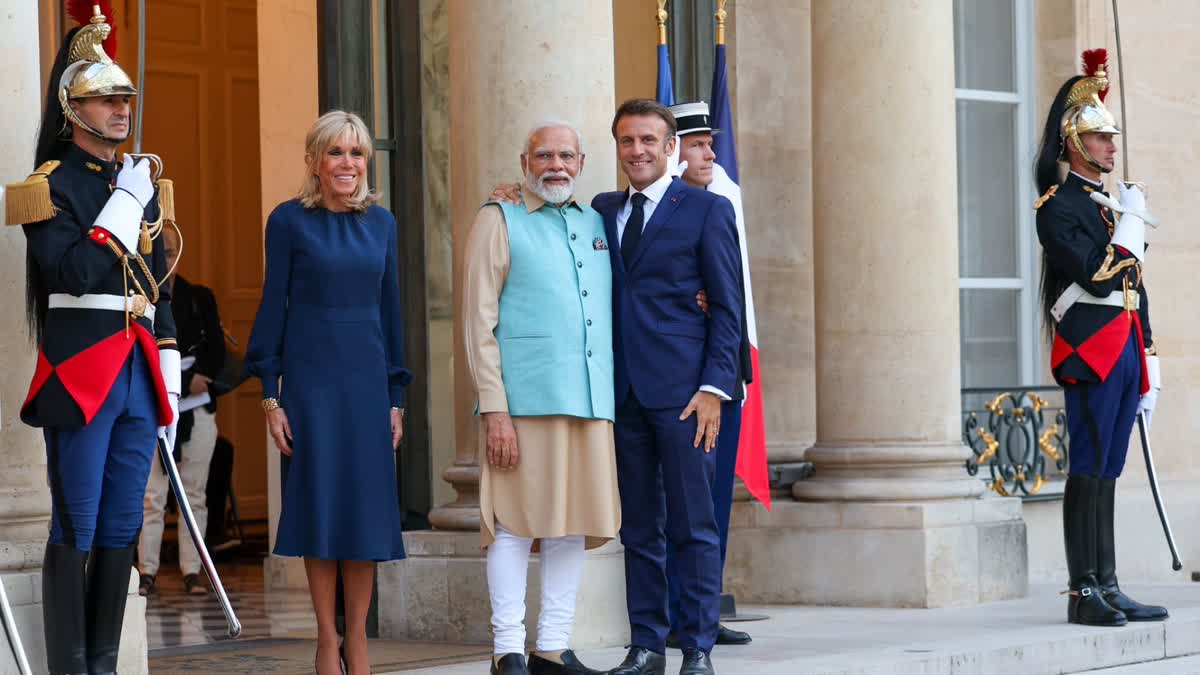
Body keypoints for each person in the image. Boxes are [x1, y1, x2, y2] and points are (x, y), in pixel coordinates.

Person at [4, 7, 180, 673]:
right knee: (75, 522)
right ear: (73, 107)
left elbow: (157, 283)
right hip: (82, 371)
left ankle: (104, 663)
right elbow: (73, 269)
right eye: (106, 98)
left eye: (124, 98)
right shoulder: (49, 186)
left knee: (121, 526)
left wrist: (166, 361)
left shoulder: (137, 180)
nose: (120, 108)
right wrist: (127, 204)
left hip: (135, 369)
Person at [245, 110, 411, 675]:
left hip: (367, 387)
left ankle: (358, 641)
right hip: (311, 387)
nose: (348, 163)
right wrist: (271, 396)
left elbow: (392, 315)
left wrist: (396, 397)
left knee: (363, 516)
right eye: (336, 153)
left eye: (357, 153)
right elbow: (273, 310)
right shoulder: (289, 221)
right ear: (315, 161)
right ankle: (324, 639)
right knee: (320, 511)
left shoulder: (382, 225)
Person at [464, 121, 620, 675]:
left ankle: (553, 645)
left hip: (591, 399)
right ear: (524, 162)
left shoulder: (599, 221)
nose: (556, 165)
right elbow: (477, 320)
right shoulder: (498, 218)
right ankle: (508, 648)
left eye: (566, 156)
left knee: (571, 522)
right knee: (512, 522)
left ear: (581, 162)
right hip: (522, 402)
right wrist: (494, 406)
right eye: (544, 155)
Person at [596, 99, 743, 675]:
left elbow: (728, 308)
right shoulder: (601, 211)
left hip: (688, 398)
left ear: (670, 148)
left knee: (692, 525)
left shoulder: (706, 210)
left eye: (648, 141)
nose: (637, 151)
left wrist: (713, 386)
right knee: (639, 530)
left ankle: (698, 647)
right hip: (624, 394)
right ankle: (646, 645)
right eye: (627, 141)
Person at [1033, 49, 1166, 627]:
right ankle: (1082, 589)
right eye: (1100, 138)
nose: (1112, 146)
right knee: (1086, 464)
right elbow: (1096, 273)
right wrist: (1133, 223)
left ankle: (1108, 581)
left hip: (1126, 347)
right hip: (1089, 351)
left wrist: (1152, 356)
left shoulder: (1113, 207)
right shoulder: (1057, 208)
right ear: (1073, 143)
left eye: (1111, 137)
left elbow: (1136, 286)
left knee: (1109, 466)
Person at [663, 101, 752, 649]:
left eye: (709, 143)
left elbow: (729, 297)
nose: (710, 154)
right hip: (674, 380)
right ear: (672, 149)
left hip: (720, 375)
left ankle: (701, 609)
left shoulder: (719, 203)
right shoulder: (647, 211)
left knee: (713, 500)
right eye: (697, 144)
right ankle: (678, 614)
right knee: (676, 505)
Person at [140, 224, 226, 596]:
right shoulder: (139, 296)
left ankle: (193, 570)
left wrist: (195, 377)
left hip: (197, 407)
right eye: (161, 251)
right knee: (151, 496)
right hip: (152, 408)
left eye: (173, 251)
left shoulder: (198, 297)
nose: (168, 258)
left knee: (195, 493)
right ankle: (147, 570)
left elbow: (217, 350)